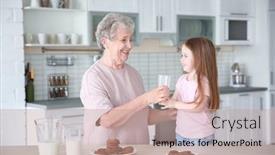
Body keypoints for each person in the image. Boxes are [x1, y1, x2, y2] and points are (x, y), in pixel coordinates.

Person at [80, 13, 176, 145]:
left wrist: (173, 112)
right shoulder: (94, 77)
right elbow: (107, 120)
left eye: (130, 39)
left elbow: (143, 116)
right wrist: (146, 98)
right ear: (105, 42)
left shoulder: (133, 74)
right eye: (124, 40)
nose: (130, 45)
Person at [162, 37, 220, 144]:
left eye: (185, 56)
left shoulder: (203, 81)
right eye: (181, 55)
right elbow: (174, 102)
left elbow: (198, 106)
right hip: (181, 134)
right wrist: (165, 99)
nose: (181, 59)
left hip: (201, 137)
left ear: (199, 58)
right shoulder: (181, 80)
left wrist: (174, 103)